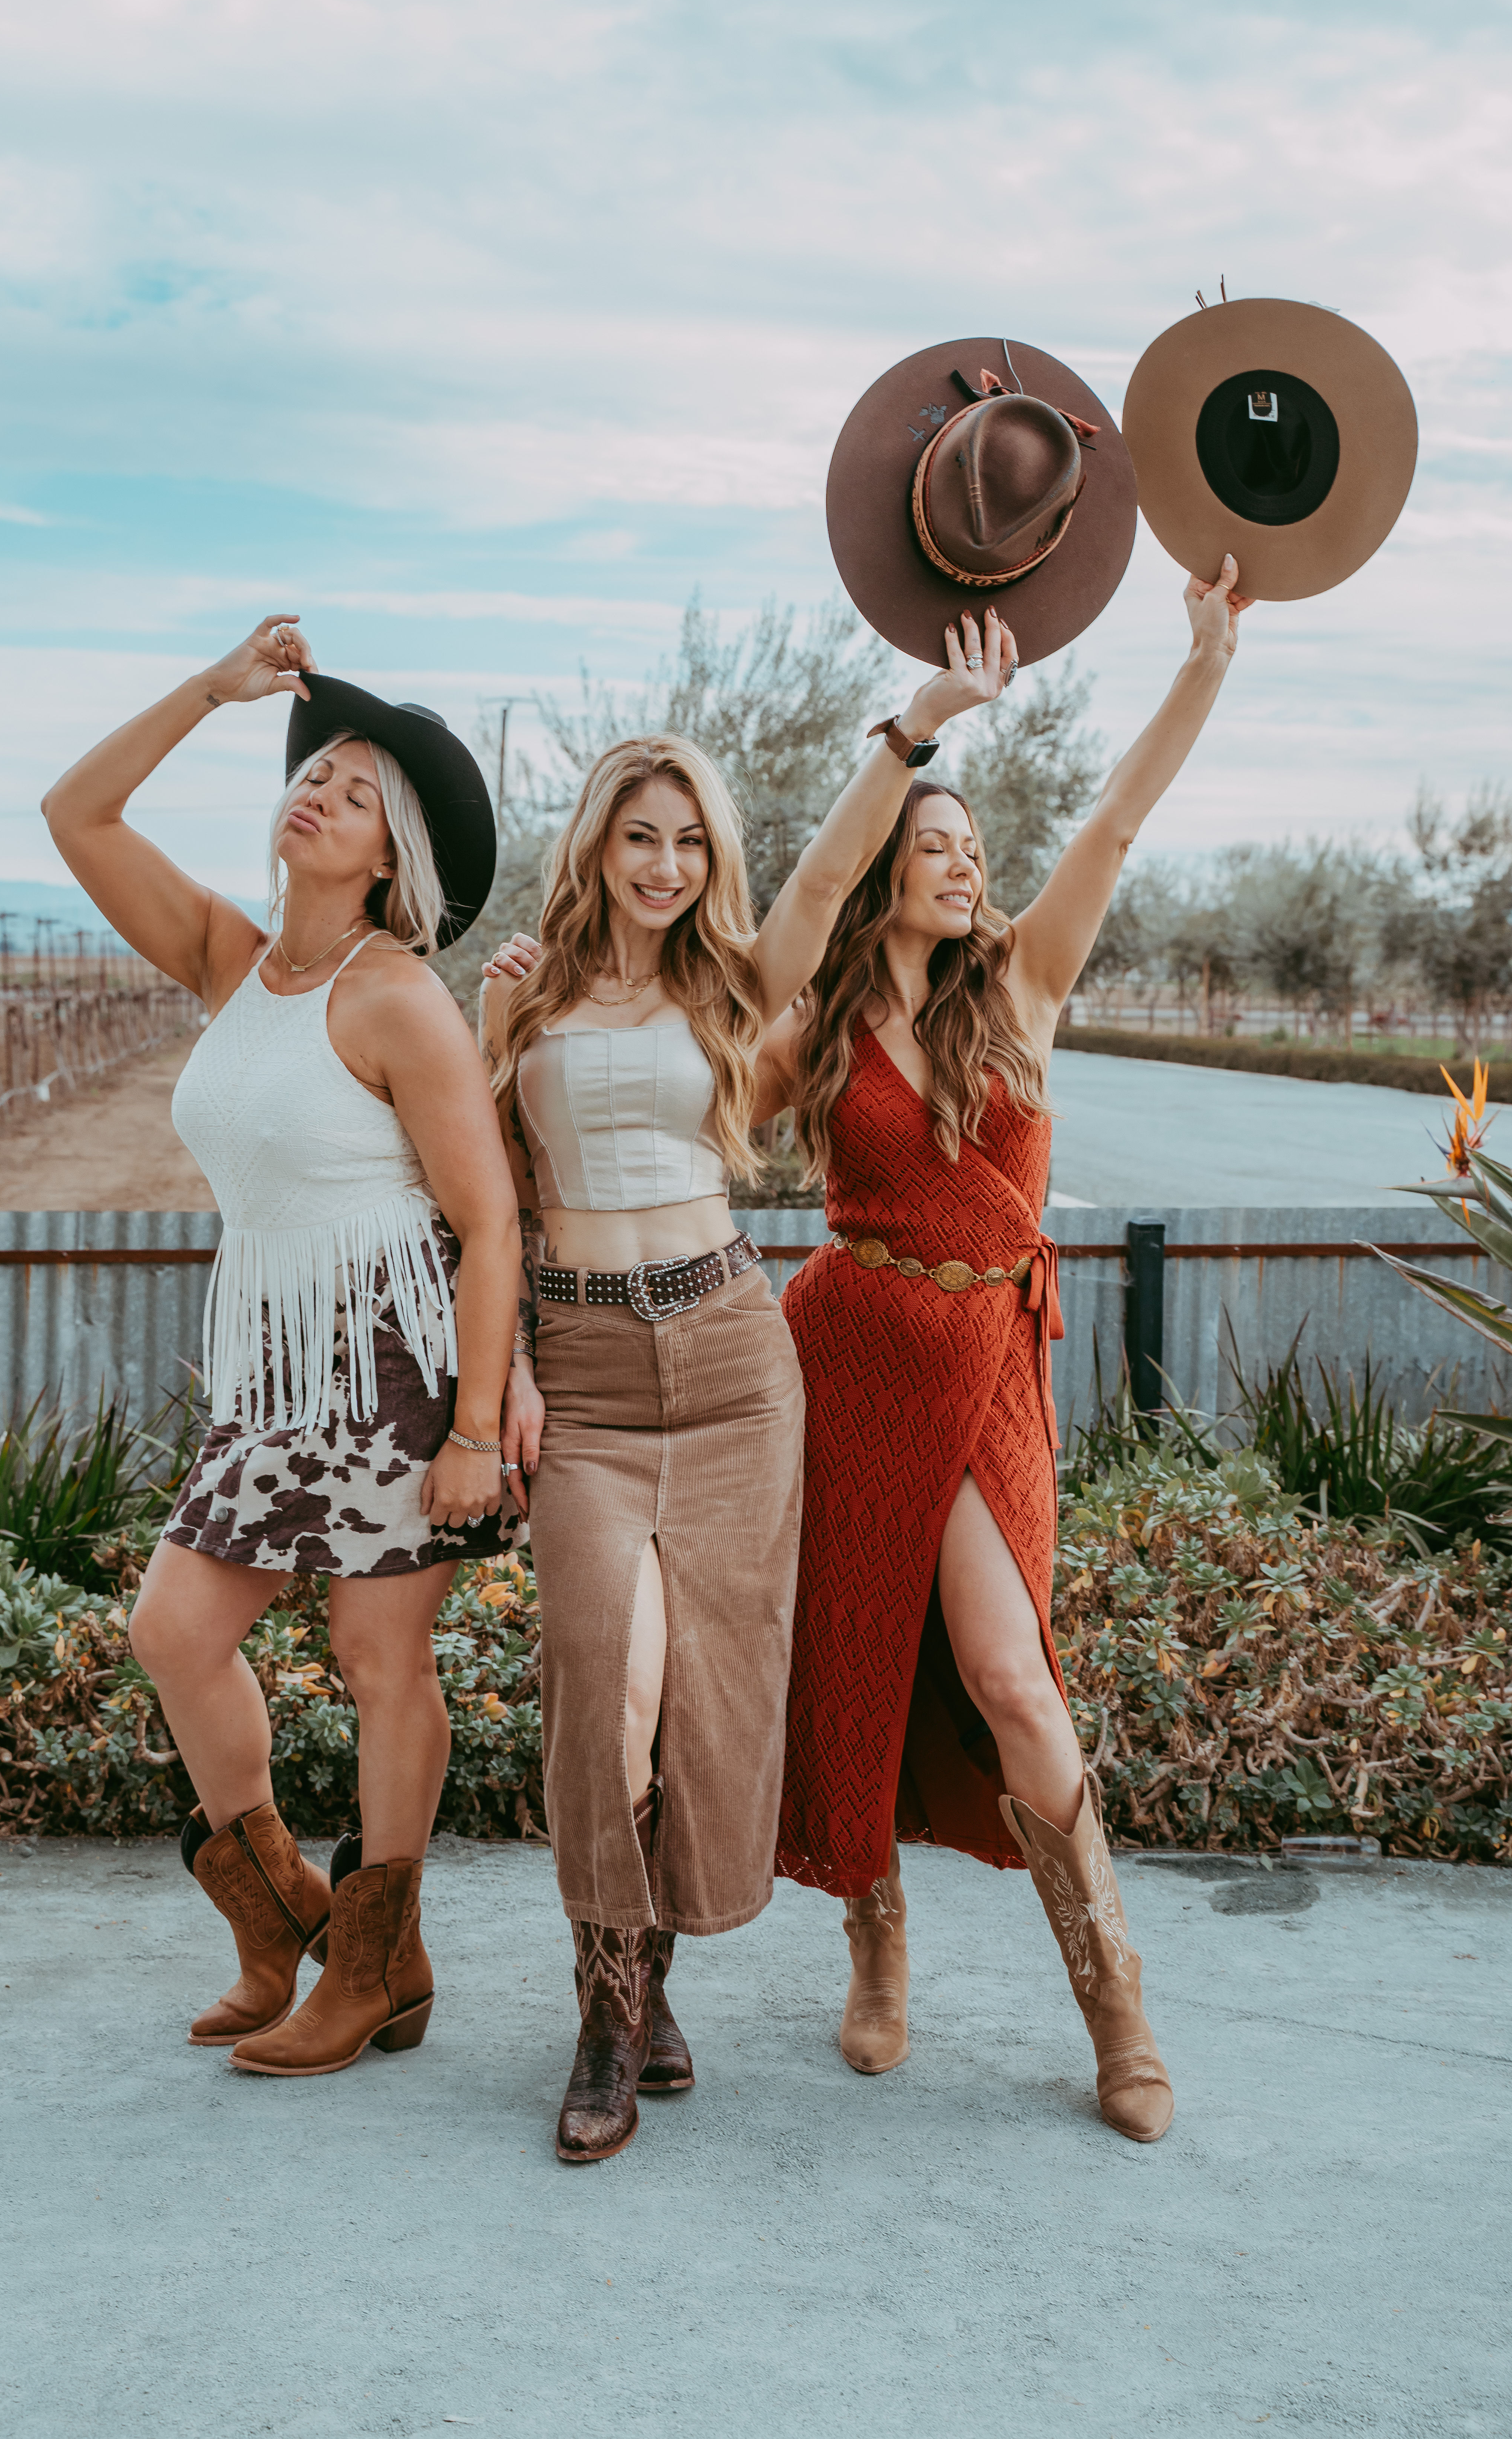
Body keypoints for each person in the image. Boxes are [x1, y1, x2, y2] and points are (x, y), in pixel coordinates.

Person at [480, 624, 1007, 2163]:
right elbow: (488, 1203)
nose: (662, 863)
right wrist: (501, 1373)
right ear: (597, 847)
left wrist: (916, 724)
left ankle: (638, 1990)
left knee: (703, 1701)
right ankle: (602, 2002)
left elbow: (836, 878)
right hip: (580, 1370)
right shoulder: (517, 999)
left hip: (724, 1362)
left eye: (688, 840)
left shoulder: (738, 982)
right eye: (639, 837)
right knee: (611, 1685)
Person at [760, 562, 1250, 2143]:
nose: (963, 867)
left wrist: (1205, 662)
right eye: (934, 847)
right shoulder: (822, 1031)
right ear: (884, 872)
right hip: (847, 1354)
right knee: (855, 1658)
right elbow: (720, 1050)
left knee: (1007, 1676)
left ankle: (1116, 2000)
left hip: (990, 1363)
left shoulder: (1026, 983)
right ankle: (873, 1936)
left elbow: (1115, 817)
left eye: (975, 849)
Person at [43, 613, 522, 2078]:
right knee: (174, 1632)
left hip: (391, 1359)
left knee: (382, 1663)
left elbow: (489, 1224)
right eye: (315, 772)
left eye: (357, 791)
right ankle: (279, 1918)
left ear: (392, 857)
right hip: (270, 1373)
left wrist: (476, 1433)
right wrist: (215, 690)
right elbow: (77, 813)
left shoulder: (400, 1003)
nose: (315, 790)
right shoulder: (230, 960)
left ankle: (374, 1967)